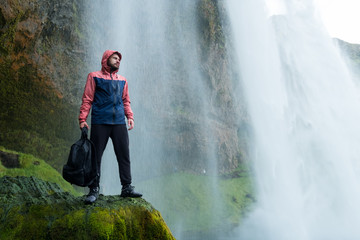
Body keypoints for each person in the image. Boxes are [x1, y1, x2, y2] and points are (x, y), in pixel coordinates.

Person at [79, 50, 142, 204]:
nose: (118, 61)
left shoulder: (123, 80)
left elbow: (126, 100)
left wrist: (130, 117)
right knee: (96, 156)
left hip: (119, 122)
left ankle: (126, 187)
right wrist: (82, 119)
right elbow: (88, 99)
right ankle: (94, 188)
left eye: (119, 59)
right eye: (115, 58)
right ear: (106, 59)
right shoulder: (94, 76)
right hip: (100, 121)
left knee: (124, 155)